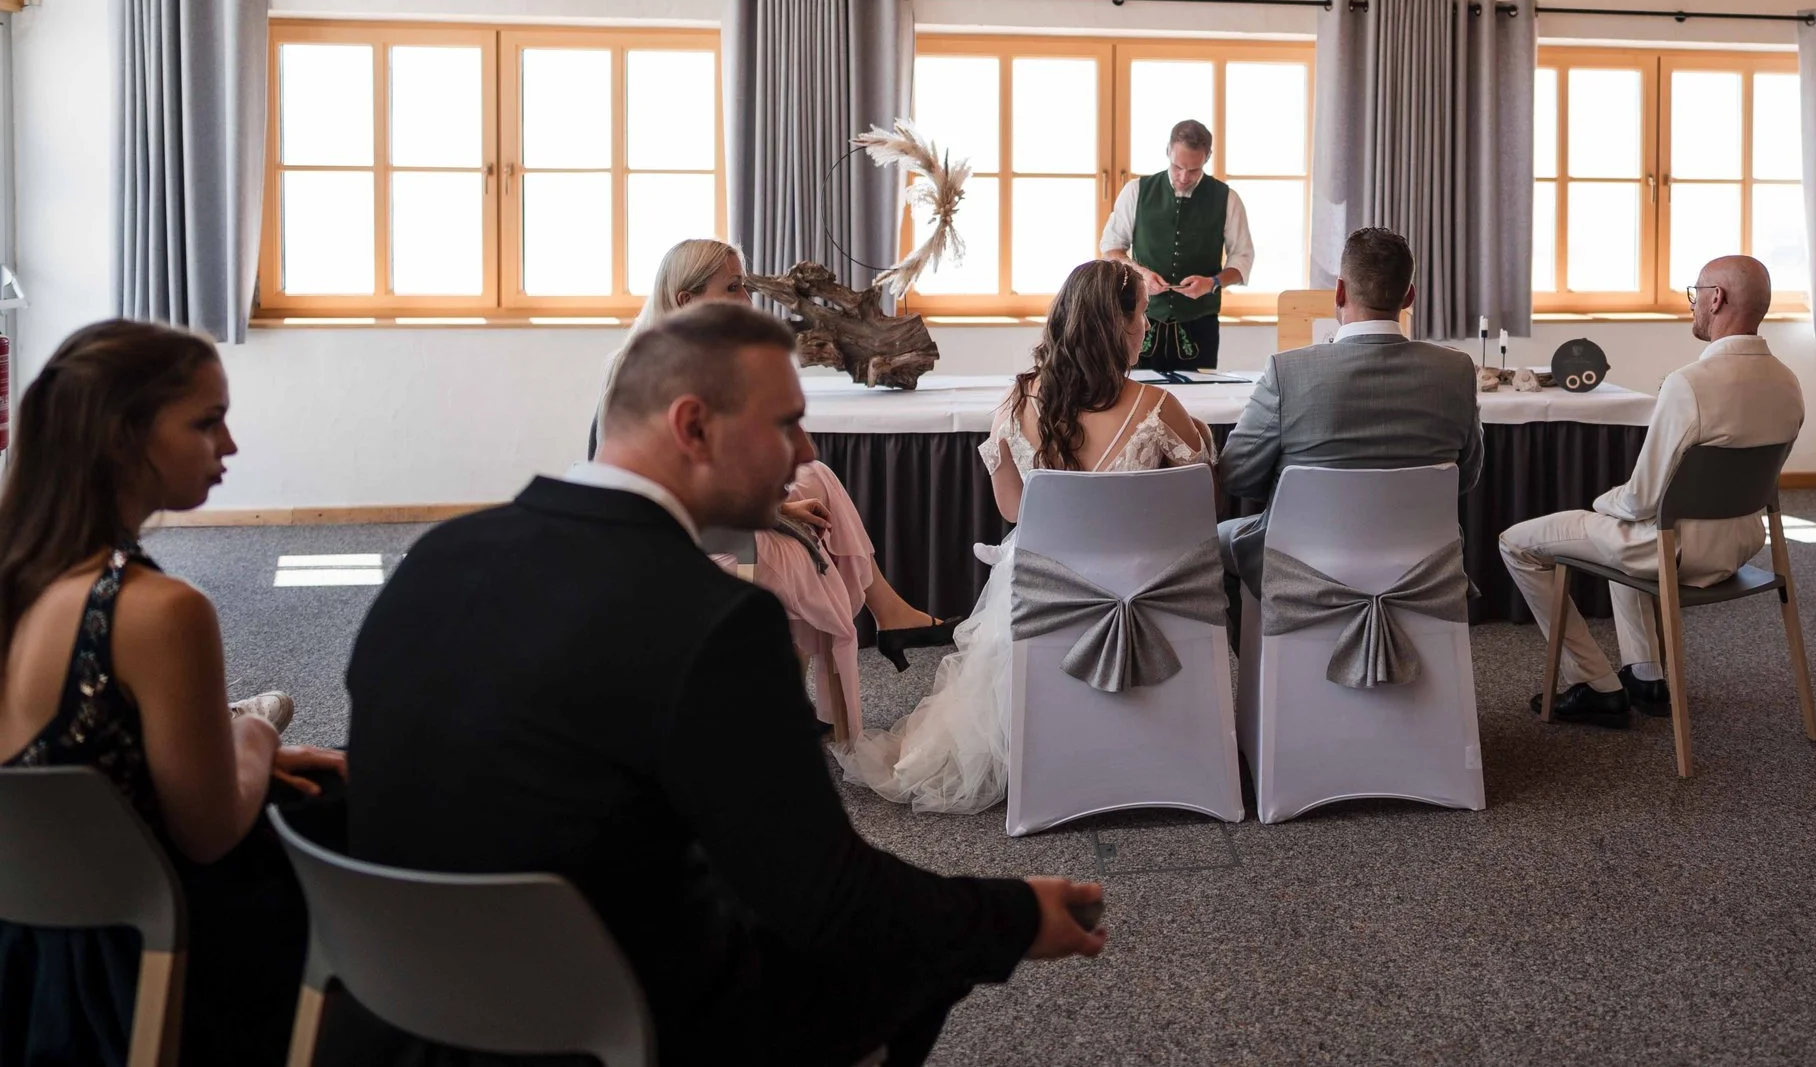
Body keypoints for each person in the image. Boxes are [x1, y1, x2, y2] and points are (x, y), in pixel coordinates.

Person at [334, 303, 1104, 1067]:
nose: (805, 446)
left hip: (405, 1004)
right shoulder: (714, 623)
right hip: (601, 1019)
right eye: (787, 424)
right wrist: (1012, 915)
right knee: (906, 955)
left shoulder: (439, 555)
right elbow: (835, 901)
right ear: (693, 426)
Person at [0, 320, 344, 1067]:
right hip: (133, 958)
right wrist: (254, 734)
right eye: (208, 421)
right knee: (329, 801)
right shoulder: (160, 610)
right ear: (123, 437)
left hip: (21, 939)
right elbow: (211, 831)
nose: (230, 446)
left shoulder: (19, 578)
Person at [839, 260, 1213, 815]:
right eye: (1144, 316)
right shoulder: (1158, 408)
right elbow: (1196, 505)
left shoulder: (1016, 403)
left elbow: (1012, 508)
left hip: (1042, 588)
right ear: (1120, 326)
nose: (1147, 329)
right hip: (1139, 594)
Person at [603, 239, 956, 724]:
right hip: (676, 533)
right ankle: (869, 625)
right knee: (805, 538)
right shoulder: (657, 373)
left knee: (817, 476)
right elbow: (675, 491)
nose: (747, 302)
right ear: (686, 300)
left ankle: (881, 616)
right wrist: (772, 512)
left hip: (707, 516)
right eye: (732, 288)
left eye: (744, 287)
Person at [1499, 254, 1802, 728]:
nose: (1693, 306)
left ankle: (1595, 682)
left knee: (1518, 542)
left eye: (1696, 294)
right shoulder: (1788, 383)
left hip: (1676, 549)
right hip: (1740, 544)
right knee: (1629, 534)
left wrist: (1601, 502)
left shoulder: (1690, 384)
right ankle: (1646, 674)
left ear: (1716, 298)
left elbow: (1642, 499)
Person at [1215, 227, 1484, 597]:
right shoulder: (1456, 371)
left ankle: (1271, 650)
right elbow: (1465, 477)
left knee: (1213, 542)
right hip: (1421, 567)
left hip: (1304, 564)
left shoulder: (1286, 372)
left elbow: (1236, 475)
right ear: (1409, 297)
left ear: (1339, 292)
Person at [1100, 118, 1253, 373]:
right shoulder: (1136, 191)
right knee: (1136, 398)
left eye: (1193, 170)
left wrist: (1212, 283)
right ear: (1168, 151)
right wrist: (1141, 274)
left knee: (1200, 403)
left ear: (1207, 157)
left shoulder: (1227, 198)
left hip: (1199, 325)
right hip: (1139, 320)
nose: (1183, 177)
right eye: (1177, 166)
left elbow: (1242, 260)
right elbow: (1111, 249)